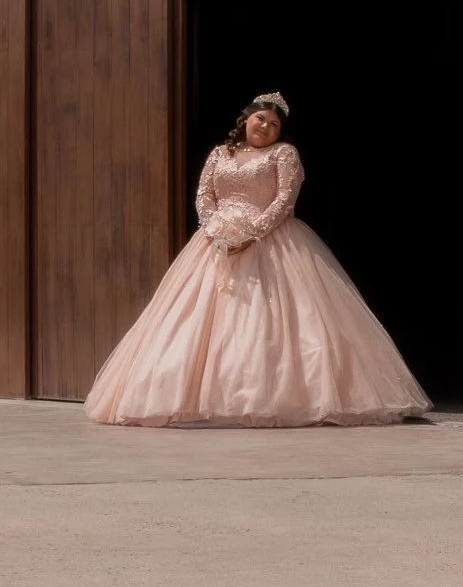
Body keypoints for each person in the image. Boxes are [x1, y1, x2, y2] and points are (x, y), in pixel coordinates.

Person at [84, 93, 430, 427]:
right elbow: (204, 194)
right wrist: (214, 229)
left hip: (272, 240)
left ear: (280, 132)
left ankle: (272, 398)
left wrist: (252, 233)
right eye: (260, 118)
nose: (264, 126)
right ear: (246, 118)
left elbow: (285, 198)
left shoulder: (284, 154)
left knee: (276, 320)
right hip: (214, 242)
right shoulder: (221, 152)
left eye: (274, 124)